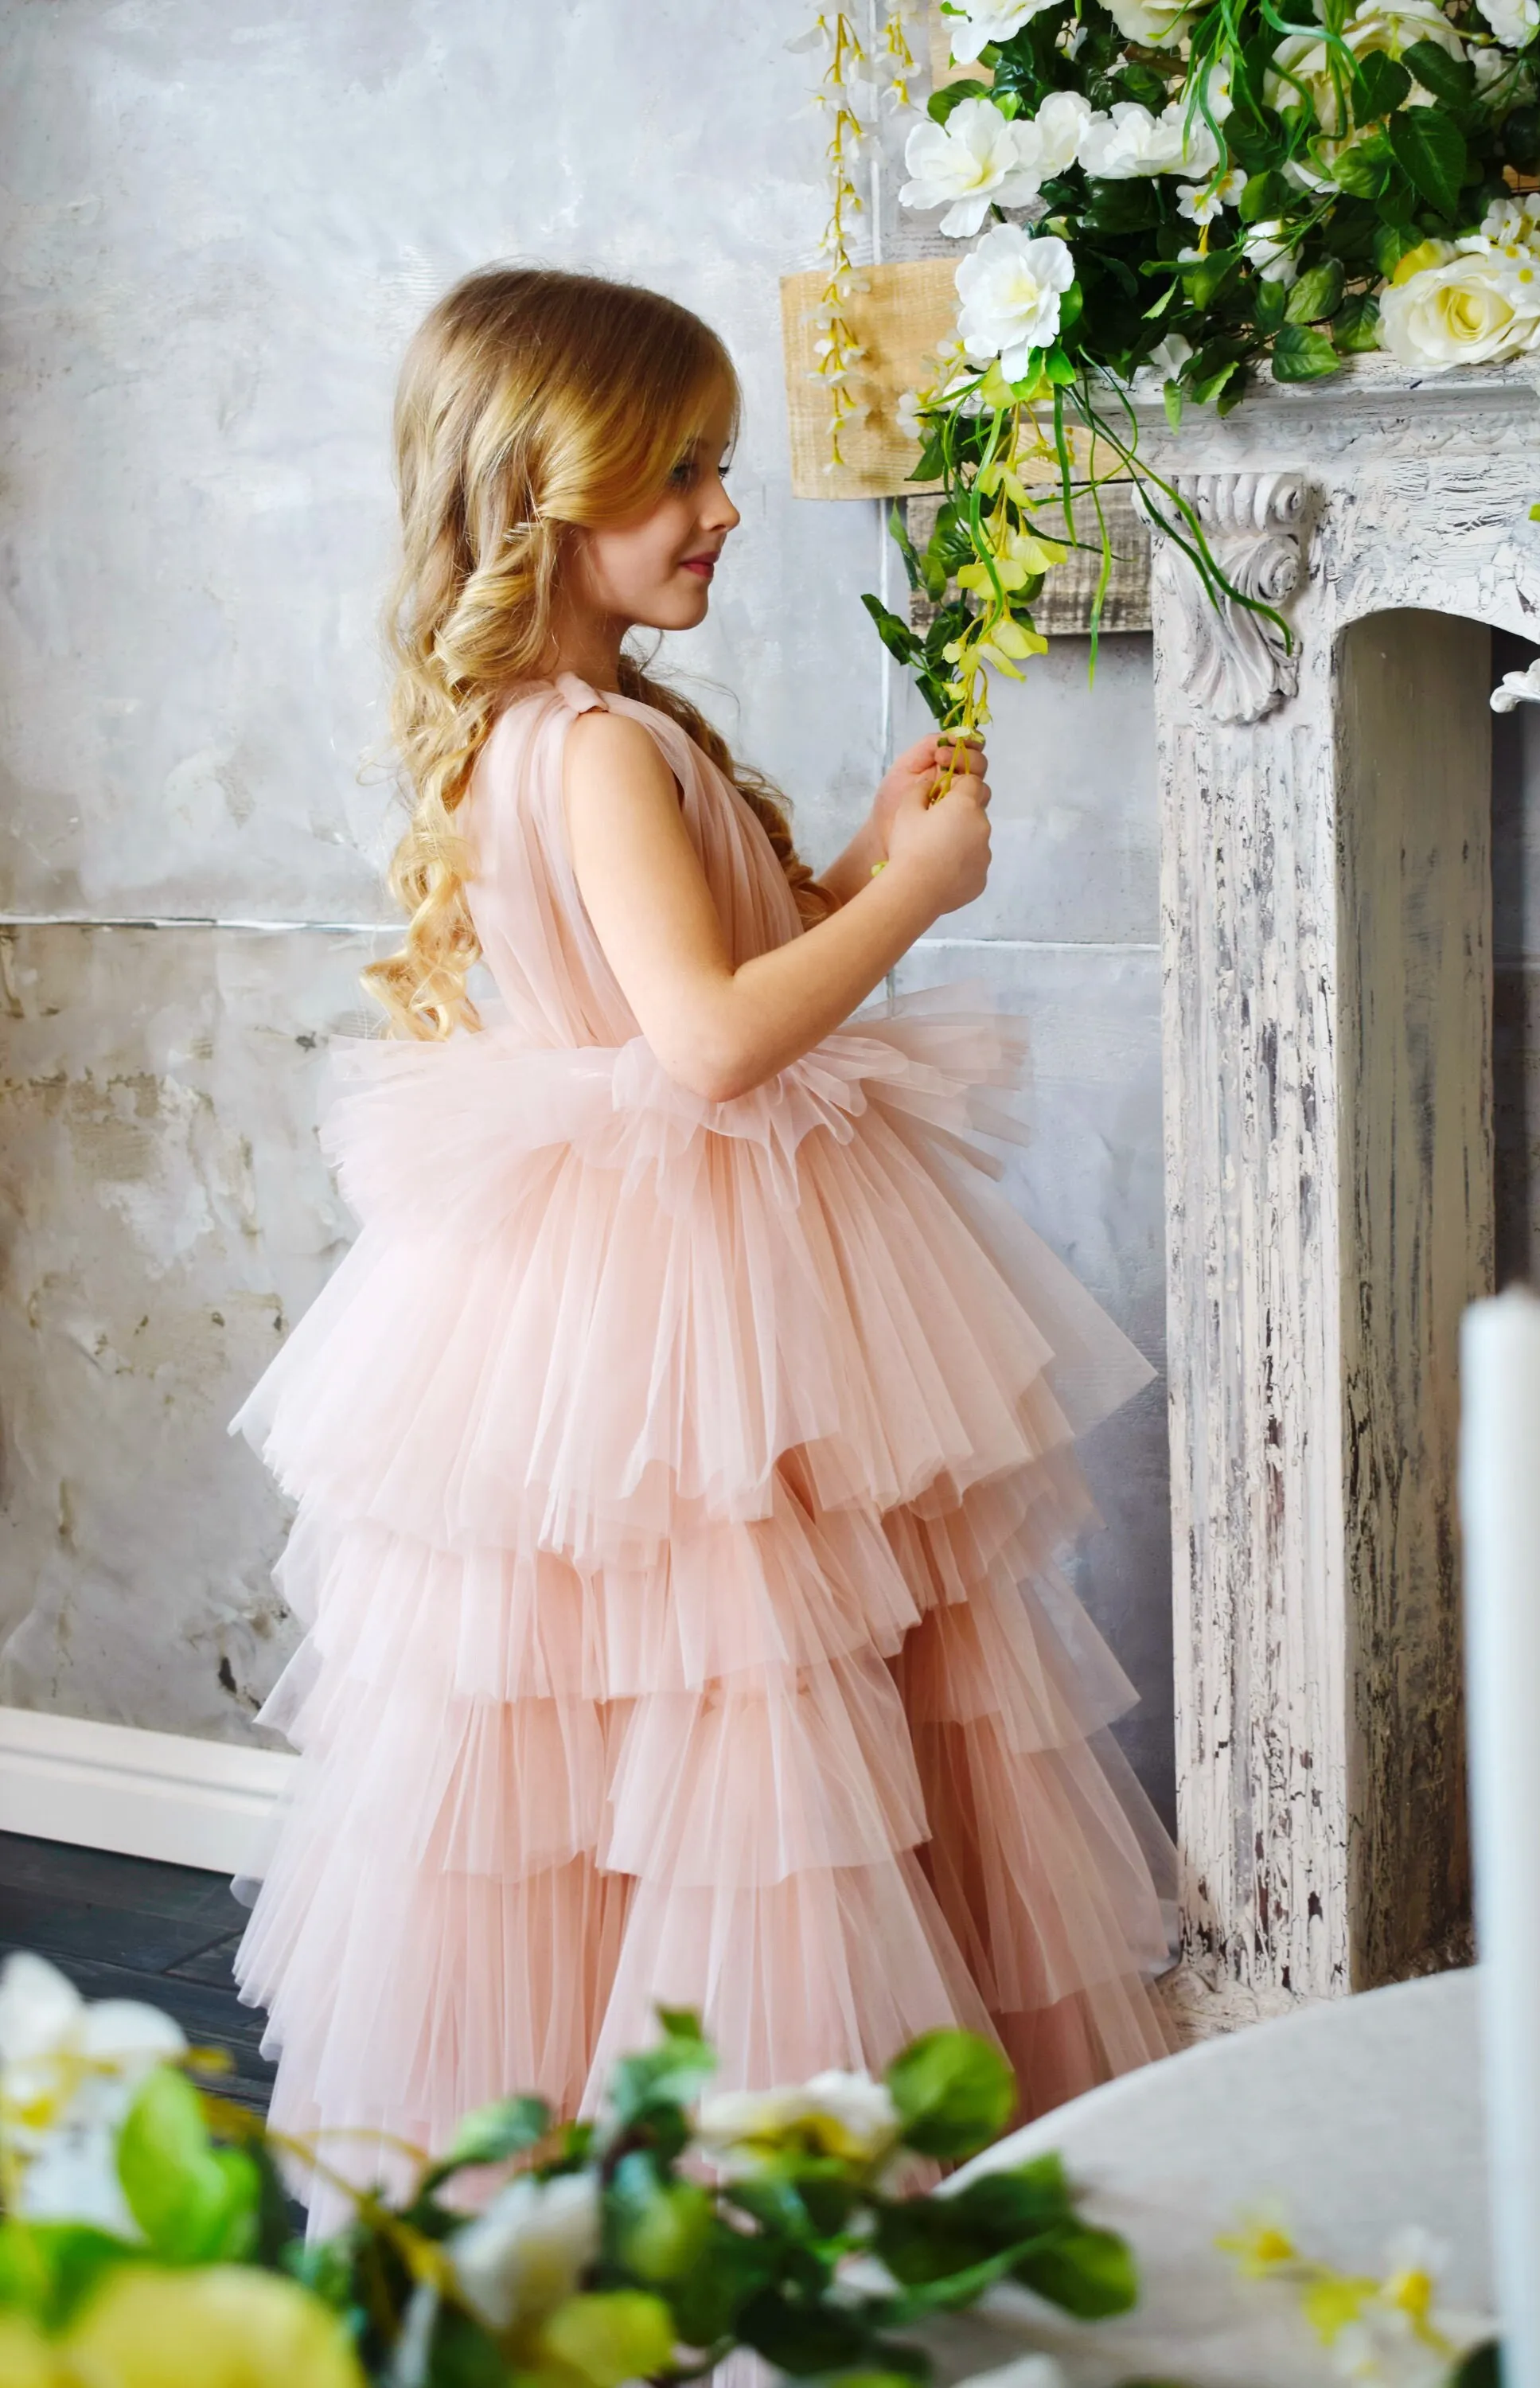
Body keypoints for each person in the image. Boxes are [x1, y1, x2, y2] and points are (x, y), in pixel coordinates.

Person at [229, 264, 1176, 2234]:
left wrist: (838, 864)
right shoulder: (590, 744)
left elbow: (709, 972)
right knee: (745, 1711)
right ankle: (774, 2173)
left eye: (721, 466)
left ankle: (628, 2159)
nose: (725, 510)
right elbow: (716, 1040)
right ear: (544, 491)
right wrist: (908, 901)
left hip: (645, 1287)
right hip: (692, 1300)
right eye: (680, 472)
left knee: (670, 1730)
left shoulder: (567, 725)